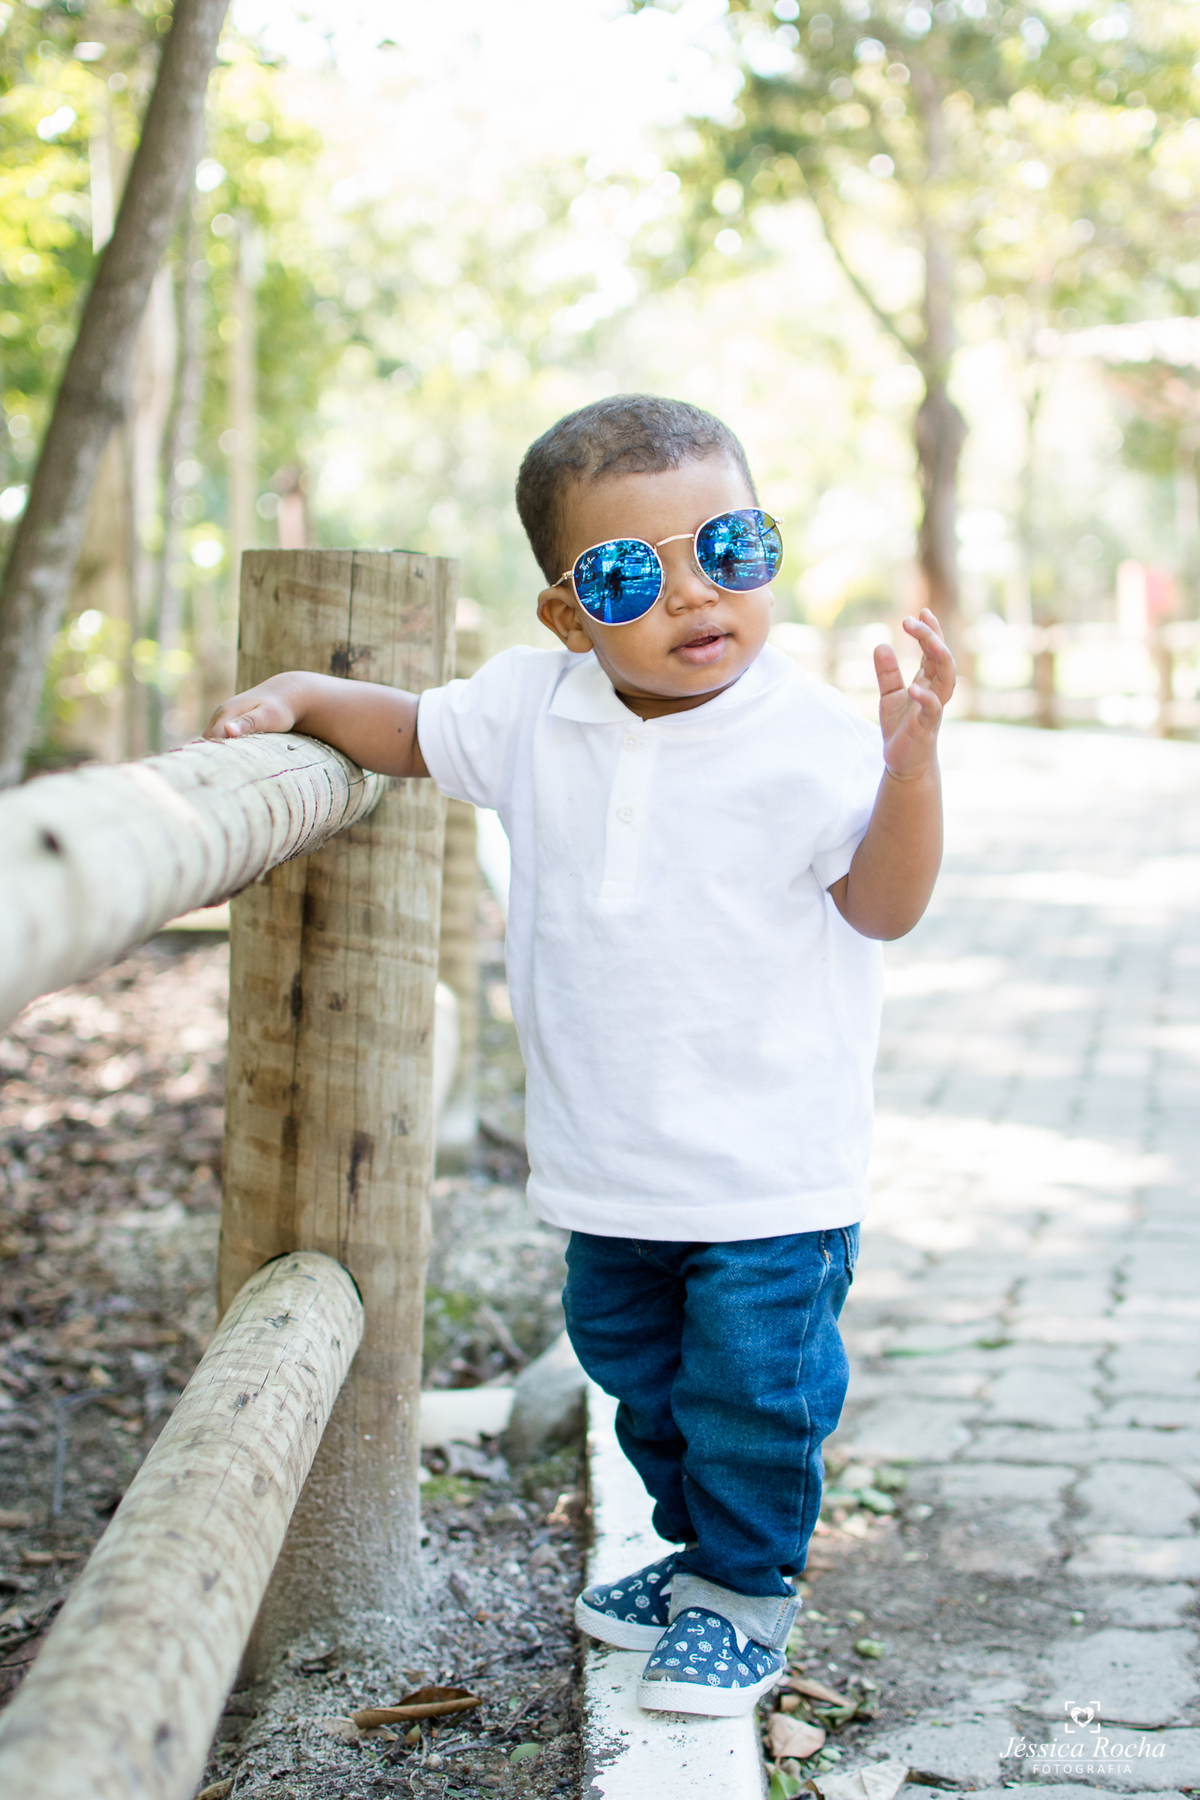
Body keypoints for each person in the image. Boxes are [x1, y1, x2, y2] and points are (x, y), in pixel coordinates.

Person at [205, 394, 956, 1719]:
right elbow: (407, 731)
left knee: (752, 1393)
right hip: (607, 1164)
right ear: (567, 614)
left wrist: (910, 769)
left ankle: (746, 1591)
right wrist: (307, 697)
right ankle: (693, 1555)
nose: (694, 594)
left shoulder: (815, 738)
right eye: (628, 574)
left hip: (770, 1171)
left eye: (728, 548)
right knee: (634, 1372)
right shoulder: (529, 709)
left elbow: (885, 909)